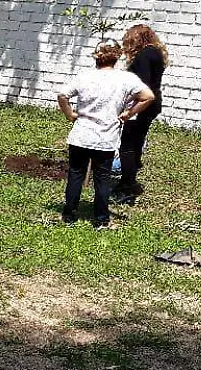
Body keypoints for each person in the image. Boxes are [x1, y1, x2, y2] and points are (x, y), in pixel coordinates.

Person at [57, 41, 156, 229]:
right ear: (117, 57)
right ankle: (101, 220)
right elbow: (148, 96)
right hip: (106, 138)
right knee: (103, 179)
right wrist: (128, 113)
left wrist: (70, 114)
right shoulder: (126, 79)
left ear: (96, 57)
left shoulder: (84, 76)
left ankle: (69, 215)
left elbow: (63, 95)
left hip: (81, 135)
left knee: (75, 175)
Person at [114, 25, 169, 204]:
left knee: (127, 146)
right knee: (136, 143)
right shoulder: (155, 52)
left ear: (137, 38)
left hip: (143, 104)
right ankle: (129, 181)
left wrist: (131, 108)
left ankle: (127, 188)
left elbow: (142, 83)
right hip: (152, 103)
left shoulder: (145, 55)